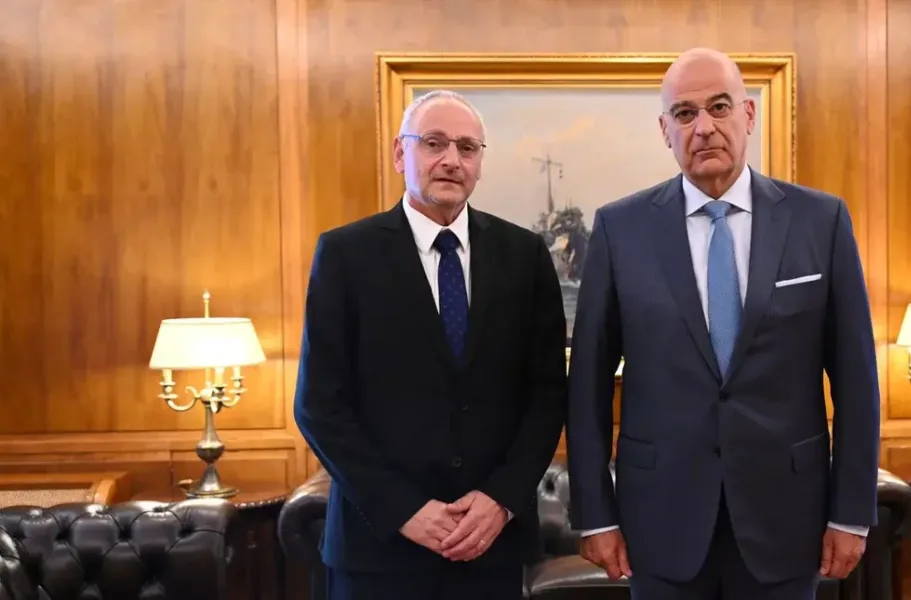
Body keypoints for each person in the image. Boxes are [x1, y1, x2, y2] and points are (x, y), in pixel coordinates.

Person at [565, 48, 881, 600]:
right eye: (685, 114)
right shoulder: (619, 229)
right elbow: (587, 384)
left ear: (748, 114)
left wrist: (851, 512)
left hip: (787, 521)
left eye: (719, 107)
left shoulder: (820, 221)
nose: (704, 127)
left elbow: (857, 380)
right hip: (659, 521)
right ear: (665, 130)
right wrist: (596, 515)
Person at [294, 89, 567, 600]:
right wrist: (405, 510)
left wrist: (501, 499)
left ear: (480, 162)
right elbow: (319, 405)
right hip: (379, 548)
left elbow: (547, 395)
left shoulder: (524, 255)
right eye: (434, 143)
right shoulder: (345, 255)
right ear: (401, 153)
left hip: (490, 545)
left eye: (467, 148)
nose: (451, 160)